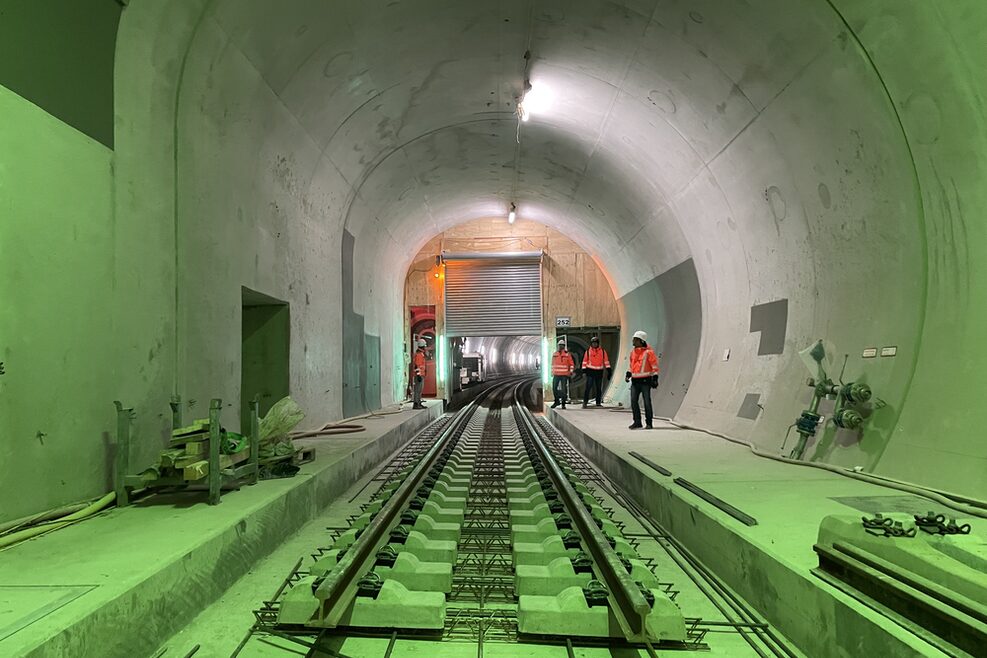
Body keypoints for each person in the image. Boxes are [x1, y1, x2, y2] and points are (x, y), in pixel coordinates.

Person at [624, 330, 659, 429]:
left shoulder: (649, 353)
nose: (633, 341)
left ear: (641, 341)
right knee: (633, 401)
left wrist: (655, 378)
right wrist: (628, 374)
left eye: (635, 340)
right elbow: (632, 366)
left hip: (645, 381)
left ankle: (649, 423)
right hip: (635, 381)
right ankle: (637, 422)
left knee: (647, 402)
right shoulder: (633, 353)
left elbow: (654, 366)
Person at [581, 336, 611, 408]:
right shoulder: (588, 351)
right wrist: (584, 371)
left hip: (599, 372)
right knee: (588, 387)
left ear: (598, 343)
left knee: (598, 388)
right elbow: (584, 362)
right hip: (590, 371)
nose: (594, 344)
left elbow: (606, 361)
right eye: (593, 343)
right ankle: (585, 402)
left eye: (595, 343)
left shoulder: (603, 351)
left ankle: (598, 402)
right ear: (591, 344)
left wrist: (609, 371)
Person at [550, 338, 575, 409]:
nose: (560, 347)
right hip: (556, 374)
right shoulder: (555, 354)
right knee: (554, 388)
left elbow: (571, 364)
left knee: (564, 390)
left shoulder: (567, 354)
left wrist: (570, 372)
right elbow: (552, 364)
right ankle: (557, 401)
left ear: (564, 346)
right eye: (559, 345)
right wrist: (552, 372)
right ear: (558, 346)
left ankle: (563, 404)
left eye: (562, 345)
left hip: (564, 375)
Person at [411, 339, 427, 409]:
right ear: (423, 346)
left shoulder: (420, 354)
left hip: (421, 375)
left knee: (419, 390)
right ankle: (416, 404)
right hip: (419, 376)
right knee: (418, 390)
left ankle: (418, 402)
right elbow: (417, 366)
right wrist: (418, 375)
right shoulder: (419, 355)